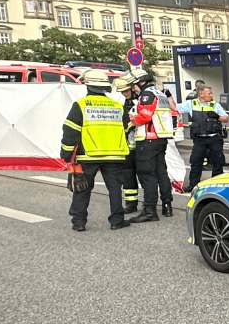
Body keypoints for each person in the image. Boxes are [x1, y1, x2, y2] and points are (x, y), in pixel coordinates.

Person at [61, 69, 133, 232]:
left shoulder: (80, 105)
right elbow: (127, 128)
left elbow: (71, 131)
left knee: (83, 188)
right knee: (115, 188)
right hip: (115, 154)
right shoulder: (118, 106)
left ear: (88, 86)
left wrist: (66, 153)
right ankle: (117, 220)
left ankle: (79, 222)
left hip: (89, 154)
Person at [125, 66, 174, 222]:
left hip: (148, 139)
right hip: (161, 138)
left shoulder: (147, 95)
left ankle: (150, 210)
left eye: (133, 85)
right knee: (161, 172)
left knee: (147, 175)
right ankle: (167, 206)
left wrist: (132, 118)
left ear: (140, 82)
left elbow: (144, 117)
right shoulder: (160, 94)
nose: (132, 89)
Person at [178, 85, 229, 192]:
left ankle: (217, 183)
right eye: (209, 93)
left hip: (214, 137)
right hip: (199, 139)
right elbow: (175, 108)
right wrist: (167, 98)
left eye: (211, 93)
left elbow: (226, 118)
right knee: (196, 162)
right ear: (201, 94)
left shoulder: (215, 105)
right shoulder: (191, 103)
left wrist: (217, 116)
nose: (211, 95)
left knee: (217, 162)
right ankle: (193, 184)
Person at [112, 76, 141, 214]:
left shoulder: (139, 101)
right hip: (128, 147)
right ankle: (131, 203)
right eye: (122, 92)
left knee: (144, 175)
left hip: (142, 145)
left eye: (125, 90)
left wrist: (128, 126)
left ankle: (149, 203)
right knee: (128, 176)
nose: (124, 93)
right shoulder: (126, 102)